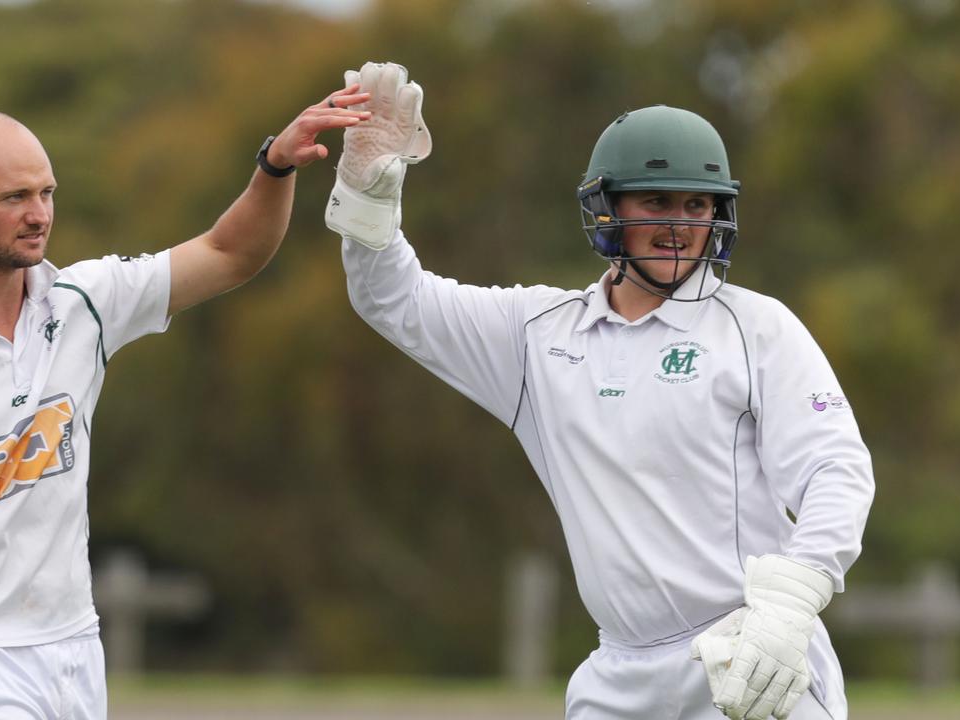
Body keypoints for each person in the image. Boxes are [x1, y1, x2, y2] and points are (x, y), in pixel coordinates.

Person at [0, 84, 371, 720]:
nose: (39, 213)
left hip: (75, 651)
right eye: (15, 197)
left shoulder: (84, 304)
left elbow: (230, 252)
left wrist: (276, 165)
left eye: (46, 192)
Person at [325, 62, 874, 720]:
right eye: (657, 202)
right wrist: (368, 194)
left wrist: (789, 606)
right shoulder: (536, 335)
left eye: (697, 205)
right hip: (619, 677)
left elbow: (836, 471)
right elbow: (392, 300)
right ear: (606, 208)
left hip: (751, 652)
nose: (680, 224)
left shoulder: (758, 327)